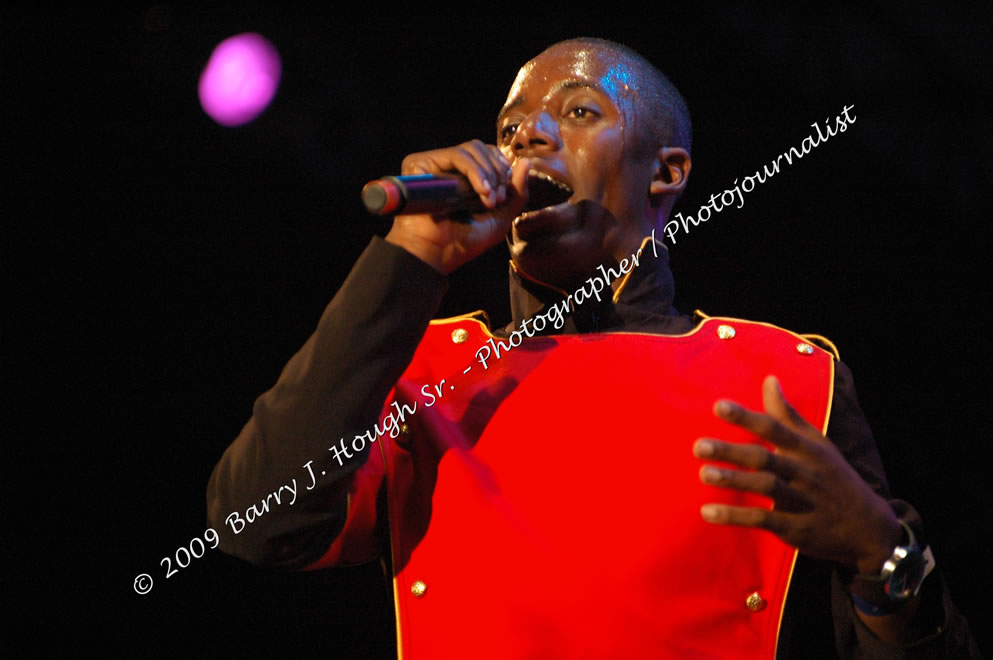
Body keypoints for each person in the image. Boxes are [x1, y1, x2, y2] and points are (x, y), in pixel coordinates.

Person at [206, 38, 979, 658]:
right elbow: (256, 521)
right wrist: (409, 255)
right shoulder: (427, 369)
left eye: (576, 111)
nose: (527, 136)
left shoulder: (783, 379)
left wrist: (884, 556)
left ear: (665, 173)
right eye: (509, 127)